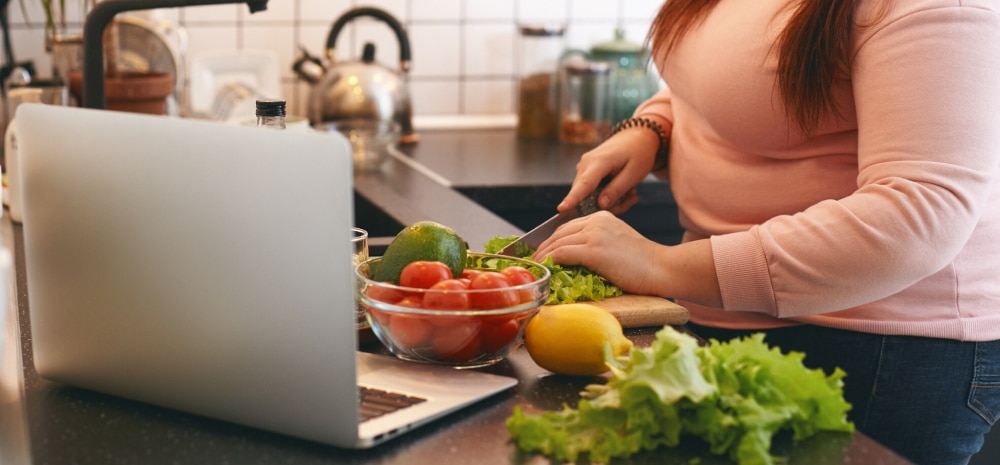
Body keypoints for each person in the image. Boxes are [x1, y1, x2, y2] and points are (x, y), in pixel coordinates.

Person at [531, 1, 1000, 464]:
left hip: (875, 351)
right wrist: (653, 126)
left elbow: (917, 218)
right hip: (723, 318)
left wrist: (660, 266)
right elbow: (731, 74)